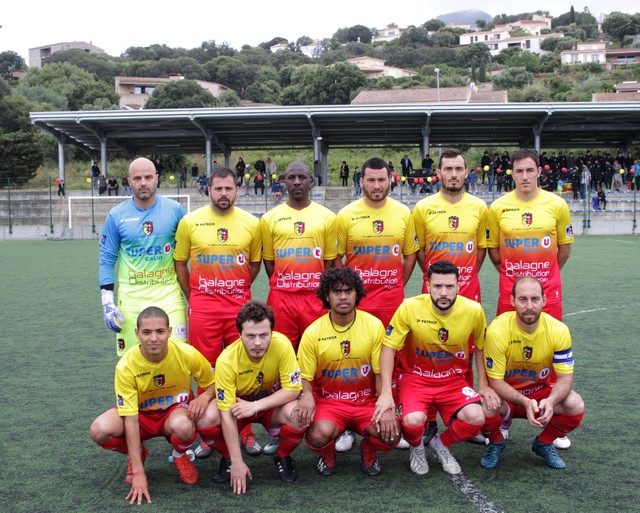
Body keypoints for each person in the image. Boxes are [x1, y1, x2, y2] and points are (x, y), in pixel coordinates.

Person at [373, 260, 504, 476]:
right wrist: (386, 392)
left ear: (459, 286)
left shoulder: (473, 310)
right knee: (413, 420)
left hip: (452, 380)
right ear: (428, 286)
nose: (443, 292)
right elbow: (388, 348)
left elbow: (481, 347)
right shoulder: (409, 307)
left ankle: (440, 444)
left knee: (476, 417)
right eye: (437, 286)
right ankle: (417, 448)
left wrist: (483, 384)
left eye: (449, 286)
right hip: (415, 378)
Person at [487, 148, 574, 449]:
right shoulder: (498, 207)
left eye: (529, 170)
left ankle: (552, 419)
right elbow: (495, 254)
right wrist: (517, 283)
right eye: (519, 171)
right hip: (510, 294)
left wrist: (539, 282)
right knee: (505, 352)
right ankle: (505, 416)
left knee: (551, 353)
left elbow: (564, 249)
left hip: (547, 294)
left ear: (539, 171)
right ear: (511, 173)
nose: (524, 176)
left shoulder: (557, 204)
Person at [174, 167, 263, 458]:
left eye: (228, 188)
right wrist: (195, 296)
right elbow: (180, 263)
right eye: (218, 188)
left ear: (237, 190)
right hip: (204, 310)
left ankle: (244, 431)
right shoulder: (190, 222)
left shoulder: (252, 223)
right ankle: (208, 433)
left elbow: (254, 265)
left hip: (239, 310)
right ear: (208, 190)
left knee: (242, 369)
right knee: (206, 371)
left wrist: (236, 289)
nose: (223, 193)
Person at [89, 307, 221, 504]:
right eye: (146, 332)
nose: (153, 338)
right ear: (137, 333)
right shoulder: (126, 366)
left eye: (160, 331)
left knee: (184, 426)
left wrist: (204, 397)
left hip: (173, 414)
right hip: (141, 417)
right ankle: (137, 454)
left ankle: (179, 455)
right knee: (99, 430)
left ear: (169, 331)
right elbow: (130, 419)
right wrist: (139, 472)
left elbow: (214, 382)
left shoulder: (186, 353)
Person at [333, 158, 418, 451]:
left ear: (390, 180)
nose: (377, 185)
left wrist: (397, 283)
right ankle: (348, 426)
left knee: (394, 363)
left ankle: (392, 418)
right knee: (354, 361)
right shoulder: (346, 215)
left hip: (392, 302)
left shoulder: (403, 213)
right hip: (359, 305)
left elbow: (410, 255)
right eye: (371, 180)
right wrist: (351, 291)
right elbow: (336, 259)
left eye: (382, 179)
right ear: (361, 181)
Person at [412, 149, 489, 442]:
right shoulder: (423, 208)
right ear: (439, 173)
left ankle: (462, 411)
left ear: (466, 173)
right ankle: (430, 420)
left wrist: (461, 281)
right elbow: (420, 252)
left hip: (468, 291)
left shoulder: (479, 207)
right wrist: (438, 282)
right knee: (429, 353)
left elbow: (480, 251)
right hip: (432, 294)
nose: (454, 174)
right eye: (448, 169)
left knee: (465, 353)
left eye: (459, 169)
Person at [296, 268, 400, 477]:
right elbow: (305, 376)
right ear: (327, 296)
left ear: (357, 294)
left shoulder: (373, 326)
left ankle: (368, 449)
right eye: (336, 291)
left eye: (348, 291)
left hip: (365, 401)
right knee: (317, 435)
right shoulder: (313, 332)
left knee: (392, 434)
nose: (343, 296)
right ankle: (327, 452)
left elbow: (379, 373)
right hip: (330, 402)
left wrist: (386, 403)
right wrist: (306, 394)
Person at [482, 276, 585, 469]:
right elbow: (495, 381)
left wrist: (551, 401)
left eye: (535, 299)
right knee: (483, 407)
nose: (529, 306)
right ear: (512, 301)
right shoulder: (497, 331)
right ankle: (496, 442)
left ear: (544, 300)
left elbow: (565, 378)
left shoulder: (559, 330)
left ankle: (544, 443)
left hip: (540, 394)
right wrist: (524, 401)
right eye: (523, 299)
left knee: (575, 404)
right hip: (507, 396)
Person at [212, 301, 305, 493]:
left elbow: (293, 389)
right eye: (250, 336)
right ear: (239, 335)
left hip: (270, 408)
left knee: (299, 414)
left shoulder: (282, 344)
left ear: (272, 332)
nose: (257, 343)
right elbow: (226, 414)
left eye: (263, 335)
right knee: (207, 418)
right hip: (238, 410)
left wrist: (254, 406)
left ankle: (282, 456)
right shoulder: (226, 360)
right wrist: (237, 461)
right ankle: (229, 458)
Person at [98, 157, 187, 356]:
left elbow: (191, 252)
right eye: (137, 178)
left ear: (157, 178)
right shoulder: (116, 215)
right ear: (129, 181)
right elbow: (106, 259)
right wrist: (107, 302)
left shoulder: (175, 211)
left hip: (169, 297)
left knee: (178, 358)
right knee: (132, 362)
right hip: (131, 302)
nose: (143, 183)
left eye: (148, 177)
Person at [260, 161, 337, 350]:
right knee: (281, 351)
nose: (296, 182)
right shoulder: (269, 218)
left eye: (302, 177)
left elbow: (329, 261)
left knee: (317, 351)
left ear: (311, 182)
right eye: (291, 178)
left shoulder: (328, 217)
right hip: (281, 298)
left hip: (315, 296)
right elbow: (269, 261)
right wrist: (285, 284)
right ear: (284, 182)